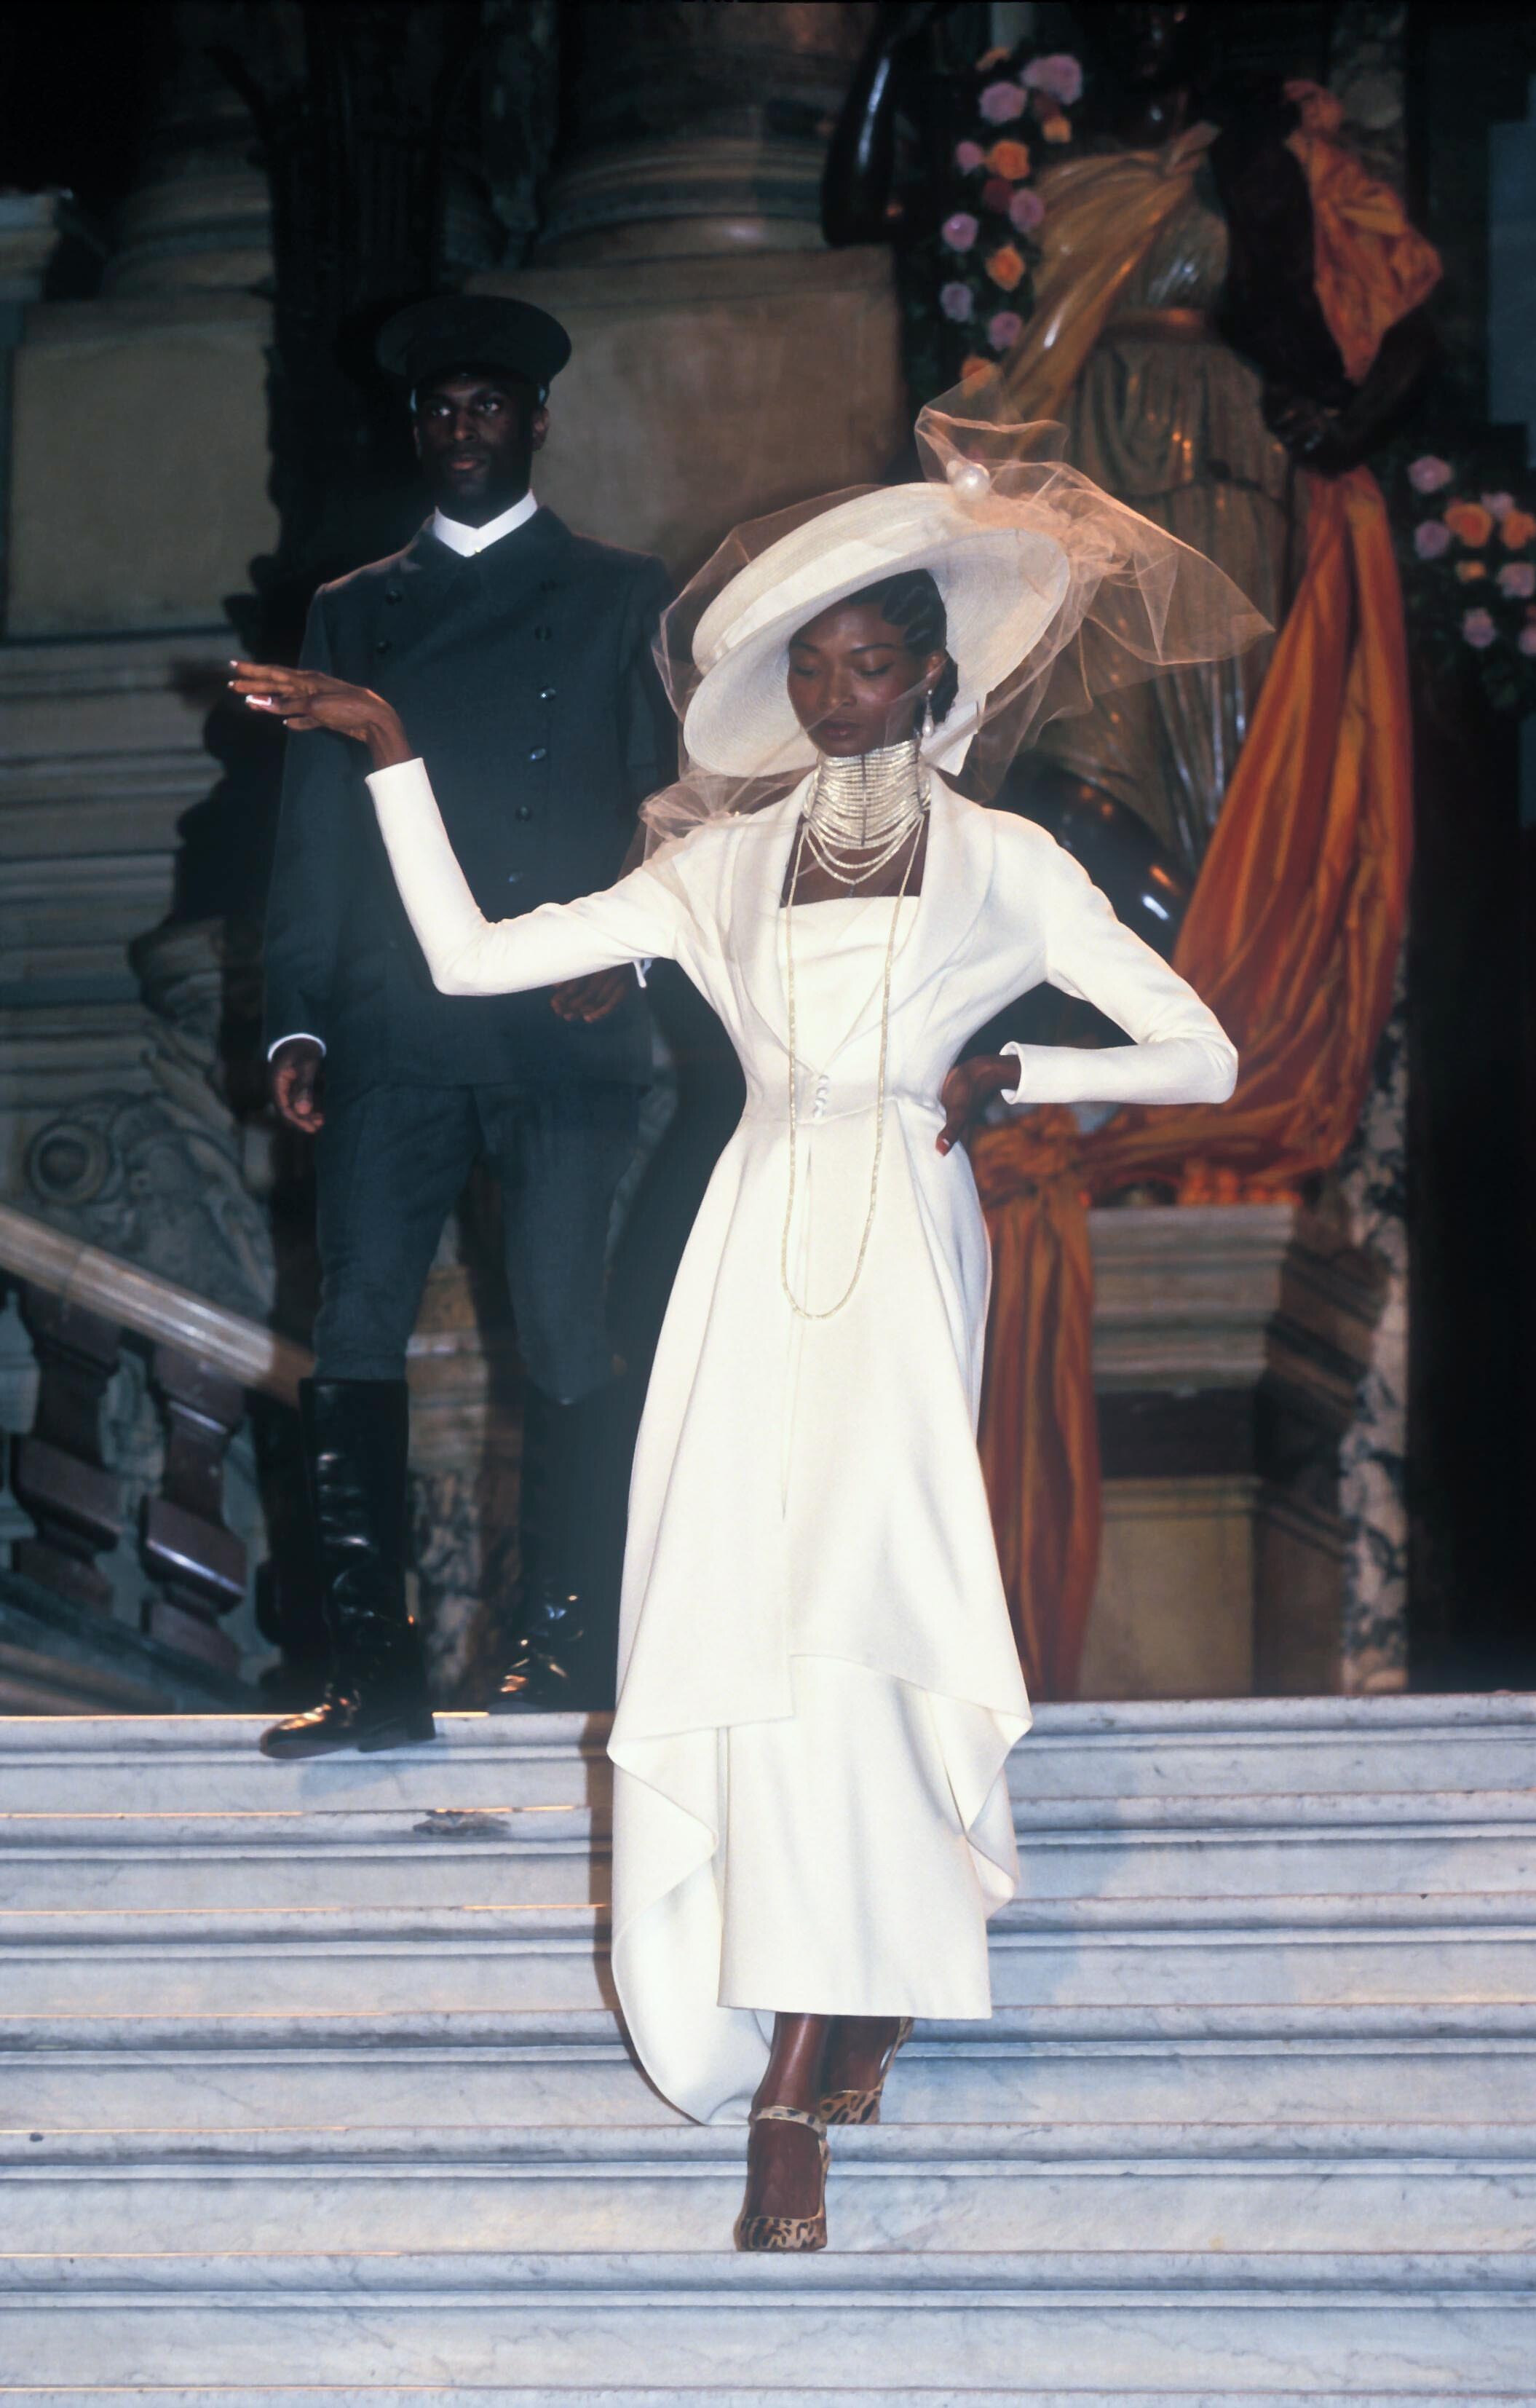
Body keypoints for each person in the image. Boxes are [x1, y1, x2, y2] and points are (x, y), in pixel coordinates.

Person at [232, 392, 1262, 2244]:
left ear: (931, 677)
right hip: (749, 1229)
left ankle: (804, 2064)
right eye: (812, 668)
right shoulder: (715, 864)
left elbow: (1202, 1051)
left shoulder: (1008, 862)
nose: (836, 697)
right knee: (738, 1609)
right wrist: (393, 754)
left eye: (870, 666)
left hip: (904, 1228)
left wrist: (1027, 1066)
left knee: (867, 1601)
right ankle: (817, 1985)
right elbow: (473, 956)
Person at [258, 293, 674, 1759]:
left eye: (486, 406)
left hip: (560, 1017)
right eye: (439, 411)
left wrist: (629, 954)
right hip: (398, 1020)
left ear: (536, 421)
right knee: (354, 1322)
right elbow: (316, 826)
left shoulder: (622, 592)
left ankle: (561, 1650)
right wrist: (296, 1018)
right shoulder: (354, 606)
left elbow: (669, 805)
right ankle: (371, 1674)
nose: (461, 431)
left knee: (561, 1322)